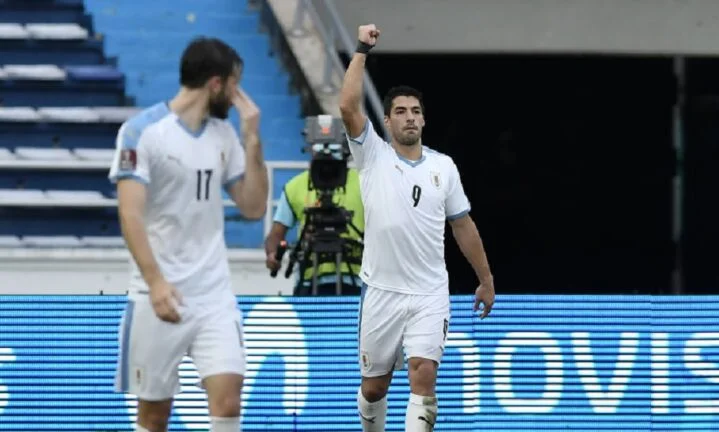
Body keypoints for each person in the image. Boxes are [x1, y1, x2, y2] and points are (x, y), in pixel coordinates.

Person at [339, 24, 496, 432]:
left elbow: (463, 225)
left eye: (415, 111)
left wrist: (485, 278)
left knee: (423, 373)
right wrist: (361, 50)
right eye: (400, 112)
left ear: (424, 120)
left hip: (429, 291)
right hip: (381, 291)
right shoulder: (372, 155)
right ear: (386, 122)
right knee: (374, 388)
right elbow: (347, 106)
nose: (409, 117)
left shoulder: (444, 167)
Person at [109, 37, 269, 432]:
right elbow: (130, 214)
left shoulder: (224, 135)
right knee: (154, 416)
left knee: (228, 403)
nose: (238, 96)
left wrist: (252, 139)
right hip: (159, 293)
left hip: (214, 294)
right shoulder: (142, 132)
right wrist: (156, 282)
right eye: (234, 85)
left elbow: (253, 207)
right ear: (216, 84)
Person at [265, 148, 365, 295]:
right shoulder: (295, 186)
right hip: (309, 281)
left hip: (356, 280)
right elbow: (275, 235)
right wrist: (273, 254)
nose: (327, 151)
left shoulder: (364, 182)